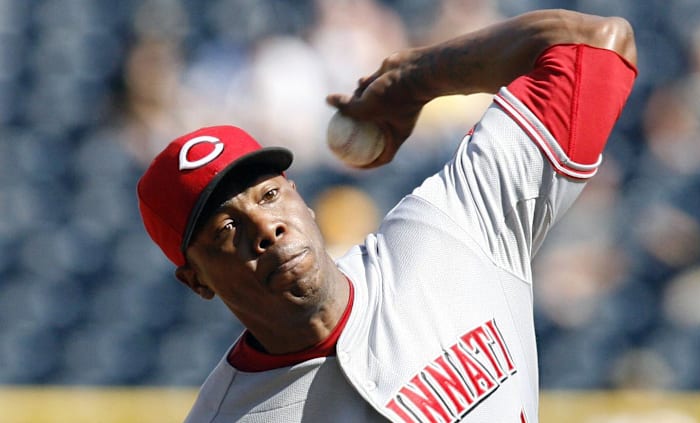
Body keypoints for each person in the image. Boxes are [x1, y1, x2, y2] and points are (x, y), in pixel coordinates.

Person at [137, 8, 637, 423]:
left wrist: (419, 77)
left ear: (301, 197)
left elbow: (597, 45)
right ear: (196, 280)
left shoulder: (452, 228)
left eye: (269, 196)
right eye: (226, 229)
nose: (266, 229)